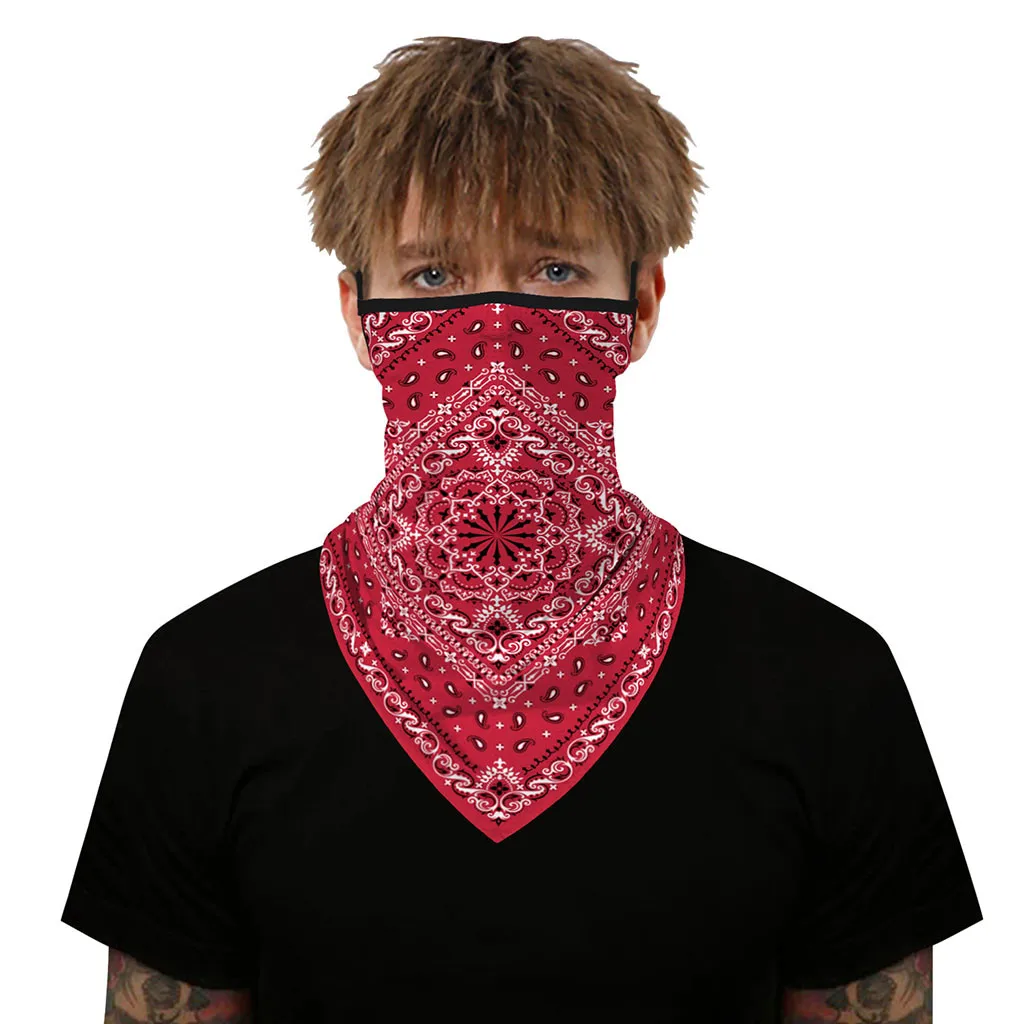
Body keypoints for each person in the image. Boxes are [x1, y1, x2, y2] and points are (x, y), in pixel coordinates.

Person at [60, 35, 982, 1023]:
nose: (496, 332)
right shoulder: (202, 685)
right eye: (430, 278)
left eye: (554, 269)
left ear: (641, 304)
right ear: (357, 315)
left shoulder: (826, 684)